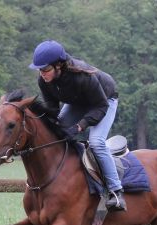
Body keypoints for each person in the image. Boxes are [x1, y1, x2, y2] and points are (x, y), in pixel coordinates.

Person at [29, 40, 126, 211]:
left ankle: (116, 191)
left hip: (104, 100)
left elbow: (100, 106)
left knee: (96, 142)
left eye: (45, 69)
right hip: (78, 101)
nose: (42, 73)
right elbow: (52, 108)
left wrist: (79, 126)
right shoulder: (44, 81)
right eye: (39, 69)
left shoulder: (82, 76)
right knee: (56, 132)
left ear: (59, 65)